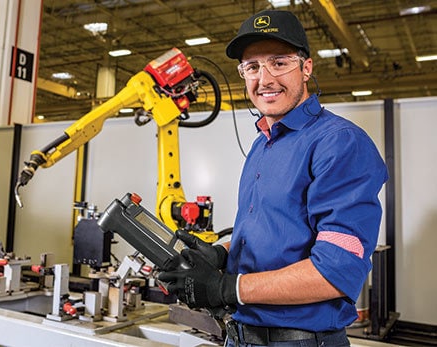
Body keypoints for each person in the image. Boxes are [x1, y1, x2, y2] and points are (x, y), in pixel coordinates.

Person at [156, 10, 387, 347]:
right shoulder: (262, 144)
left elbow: (336, 270)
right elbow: (276, 235)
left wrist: (226, 287)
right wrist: (221, 253)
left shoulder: (338, 142)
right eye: (252, 67)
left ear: (306, 67)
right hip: (241, 335)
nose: (264, 79)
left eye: (279, 63)